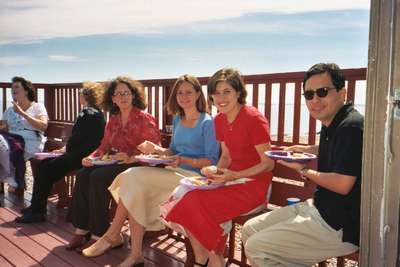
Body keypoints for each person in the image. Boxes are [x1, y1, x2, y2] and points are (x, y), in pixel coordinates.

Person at [81, 74, 220, 267]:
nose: (184, 96)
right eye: (179, 92)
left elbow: (211, 161)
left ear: (198, 94)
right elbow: (172, 151)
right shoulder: (178, 119)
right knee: (132, 181)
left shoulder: (207, 122)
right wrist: (155, 149)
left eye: (189, 92)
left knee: (132, 178)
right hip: (173, 173)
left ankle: (113, 235)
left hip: (194, 178)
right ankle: (135, 254)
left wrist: (180, 159)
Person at [242, 63, 363, 266]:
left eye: (322, 92)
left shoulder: (350, 126)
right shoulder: (334, 121)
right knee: (249, 229)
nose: (315, 100)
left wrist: (304, 170)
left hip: (339, 226)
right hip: (320, 209)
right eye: (309, 95)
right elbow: (340, 150)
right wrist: (306, 150)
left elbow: (343, 184)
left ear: (342, 92)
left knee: (257, 247)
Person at [164, 68, 275, 267]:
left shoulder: (253, 118)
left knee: (193, 203)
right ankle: (210, 259)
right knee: (184, 197)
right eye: (216, 92)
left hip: (253, 185)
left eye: (227, 91)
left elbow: (268, 163)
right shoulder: (220, 120)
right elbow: (225, 156)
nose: (220, 98)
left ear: (239, 93)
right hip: (231, 180)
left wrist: (234, 175)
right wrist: (213, 174)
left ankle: (209, 260)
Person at [66, 76, 161, 250]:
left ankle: (104, 234)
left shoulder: (144, 118)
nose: (123, 97)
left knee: (98, 177)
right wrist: (92, 157)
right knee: (83, 174)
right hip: (117, 163)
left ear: (133, 95)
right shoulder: (114, 119)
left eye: (126, 93)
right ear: (113, 99)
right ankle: (81, 229)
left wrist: (131, 157)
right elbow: (104, 146)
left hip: (139, 165)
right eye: (118, 94)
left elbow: (155, 150)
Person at [14, 81, 106, 223]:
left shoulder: (86, 112)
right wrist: (65, 149)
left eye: (80, 94)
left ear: (85, 97)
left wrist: (65, 150)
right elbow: (83, 138)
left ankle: (37, 211)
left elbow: (76, 138)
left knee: (44, 168)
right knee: (45, 165)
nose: (79, 96)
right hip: (85, 155)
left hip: (80, 157)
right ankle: (36, 207)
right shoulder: (97, 112)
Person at [0, 76, 48, 194]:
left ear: (26, 91)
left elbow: (43, 126)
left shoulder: (37, 107)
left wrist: (22, 113)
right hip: (12, 142)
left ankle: (15, 181)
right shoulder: (9, 110)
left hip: (31, 142)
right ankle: (14, 182)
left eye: (17, 87)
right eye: (12, 87)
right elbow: (4, 129)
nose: (13, 90)